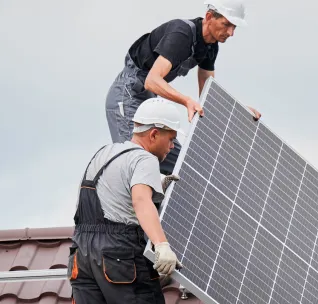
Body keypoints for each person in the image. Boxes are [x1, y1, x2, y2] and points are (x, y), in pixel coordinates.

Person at [61, 98, 184, 304]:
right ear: (153, 133)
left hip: (82, 254)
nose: (172, 146)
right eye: (170, 138)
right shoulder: (145, 160)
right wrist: (162, 245)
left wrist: (158, 187)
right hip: (117, 253)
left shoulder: (103, 152)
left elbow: (112, 199)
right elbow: (141, 202)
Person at [105, 0, 261, 175]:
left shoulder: (211, 47)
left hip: (149, 101)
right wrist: (186, 100)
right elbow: (152, 80)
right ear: (209, 16)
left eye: (234, 27)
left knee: (181, 167)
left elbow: (209, 96)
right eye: (226, 24)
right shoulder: (182, 34)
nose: (231, 33)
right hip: (127, 96)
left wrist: (238, 111)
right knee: (138, 161)